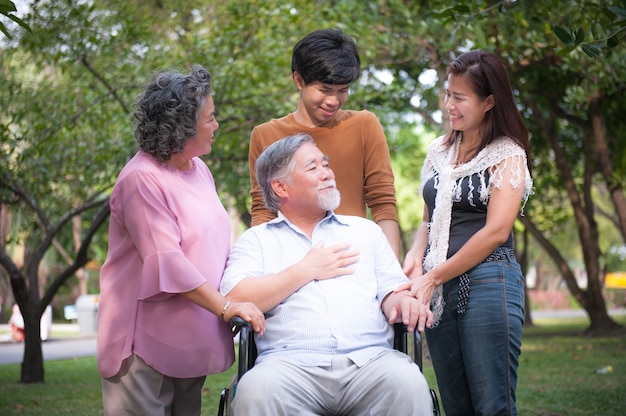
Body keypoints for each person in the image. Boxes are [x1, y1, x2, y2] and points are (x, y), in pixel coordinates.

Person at [221, 133, 434, 416]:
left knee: (409, 383)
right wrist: (305, 270)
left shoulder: (365, 231)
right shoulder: (257, 240)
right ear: (281, 187)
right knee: (254, 391)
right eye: (313, 168)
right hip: (288, 367)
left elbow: (392, 293)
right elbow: (235, 298)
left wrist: (403, 302)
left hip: (371, 361)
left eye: (326, 165)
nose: (327, 174)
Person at [96, 65, 265, 416]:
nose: (217, 125)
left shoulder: (199, 169)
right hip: (143, 343)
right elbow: (166, 260)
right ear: (183, 125)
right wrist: (223, 305)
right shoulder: (141, 180)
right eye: (210, 118)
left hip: (190, 337)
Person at [399, 50, 533, 416]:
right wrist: (415, 257)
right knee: (455, 405)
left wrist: (432, 277)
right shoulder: (439, 151)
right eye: (447, 94)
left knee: (492, 406)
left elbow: (496, 231)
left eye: (459, 98)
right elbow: (428, 221)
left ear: (489, 102)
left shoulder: (508, 155)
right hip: (439, 289)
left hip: (489, 282)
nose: (448, 106)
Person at [248, 28, 402, 259]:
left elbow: (383, 202)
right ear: (299, 80)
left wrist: (392, 277)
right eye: (324, 90)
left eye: (343, 91)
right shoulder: (266, 135)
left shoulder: (364, 125)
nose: (333, 101)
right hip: (292, 265)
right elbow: (264, 211)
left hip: (354, 262)